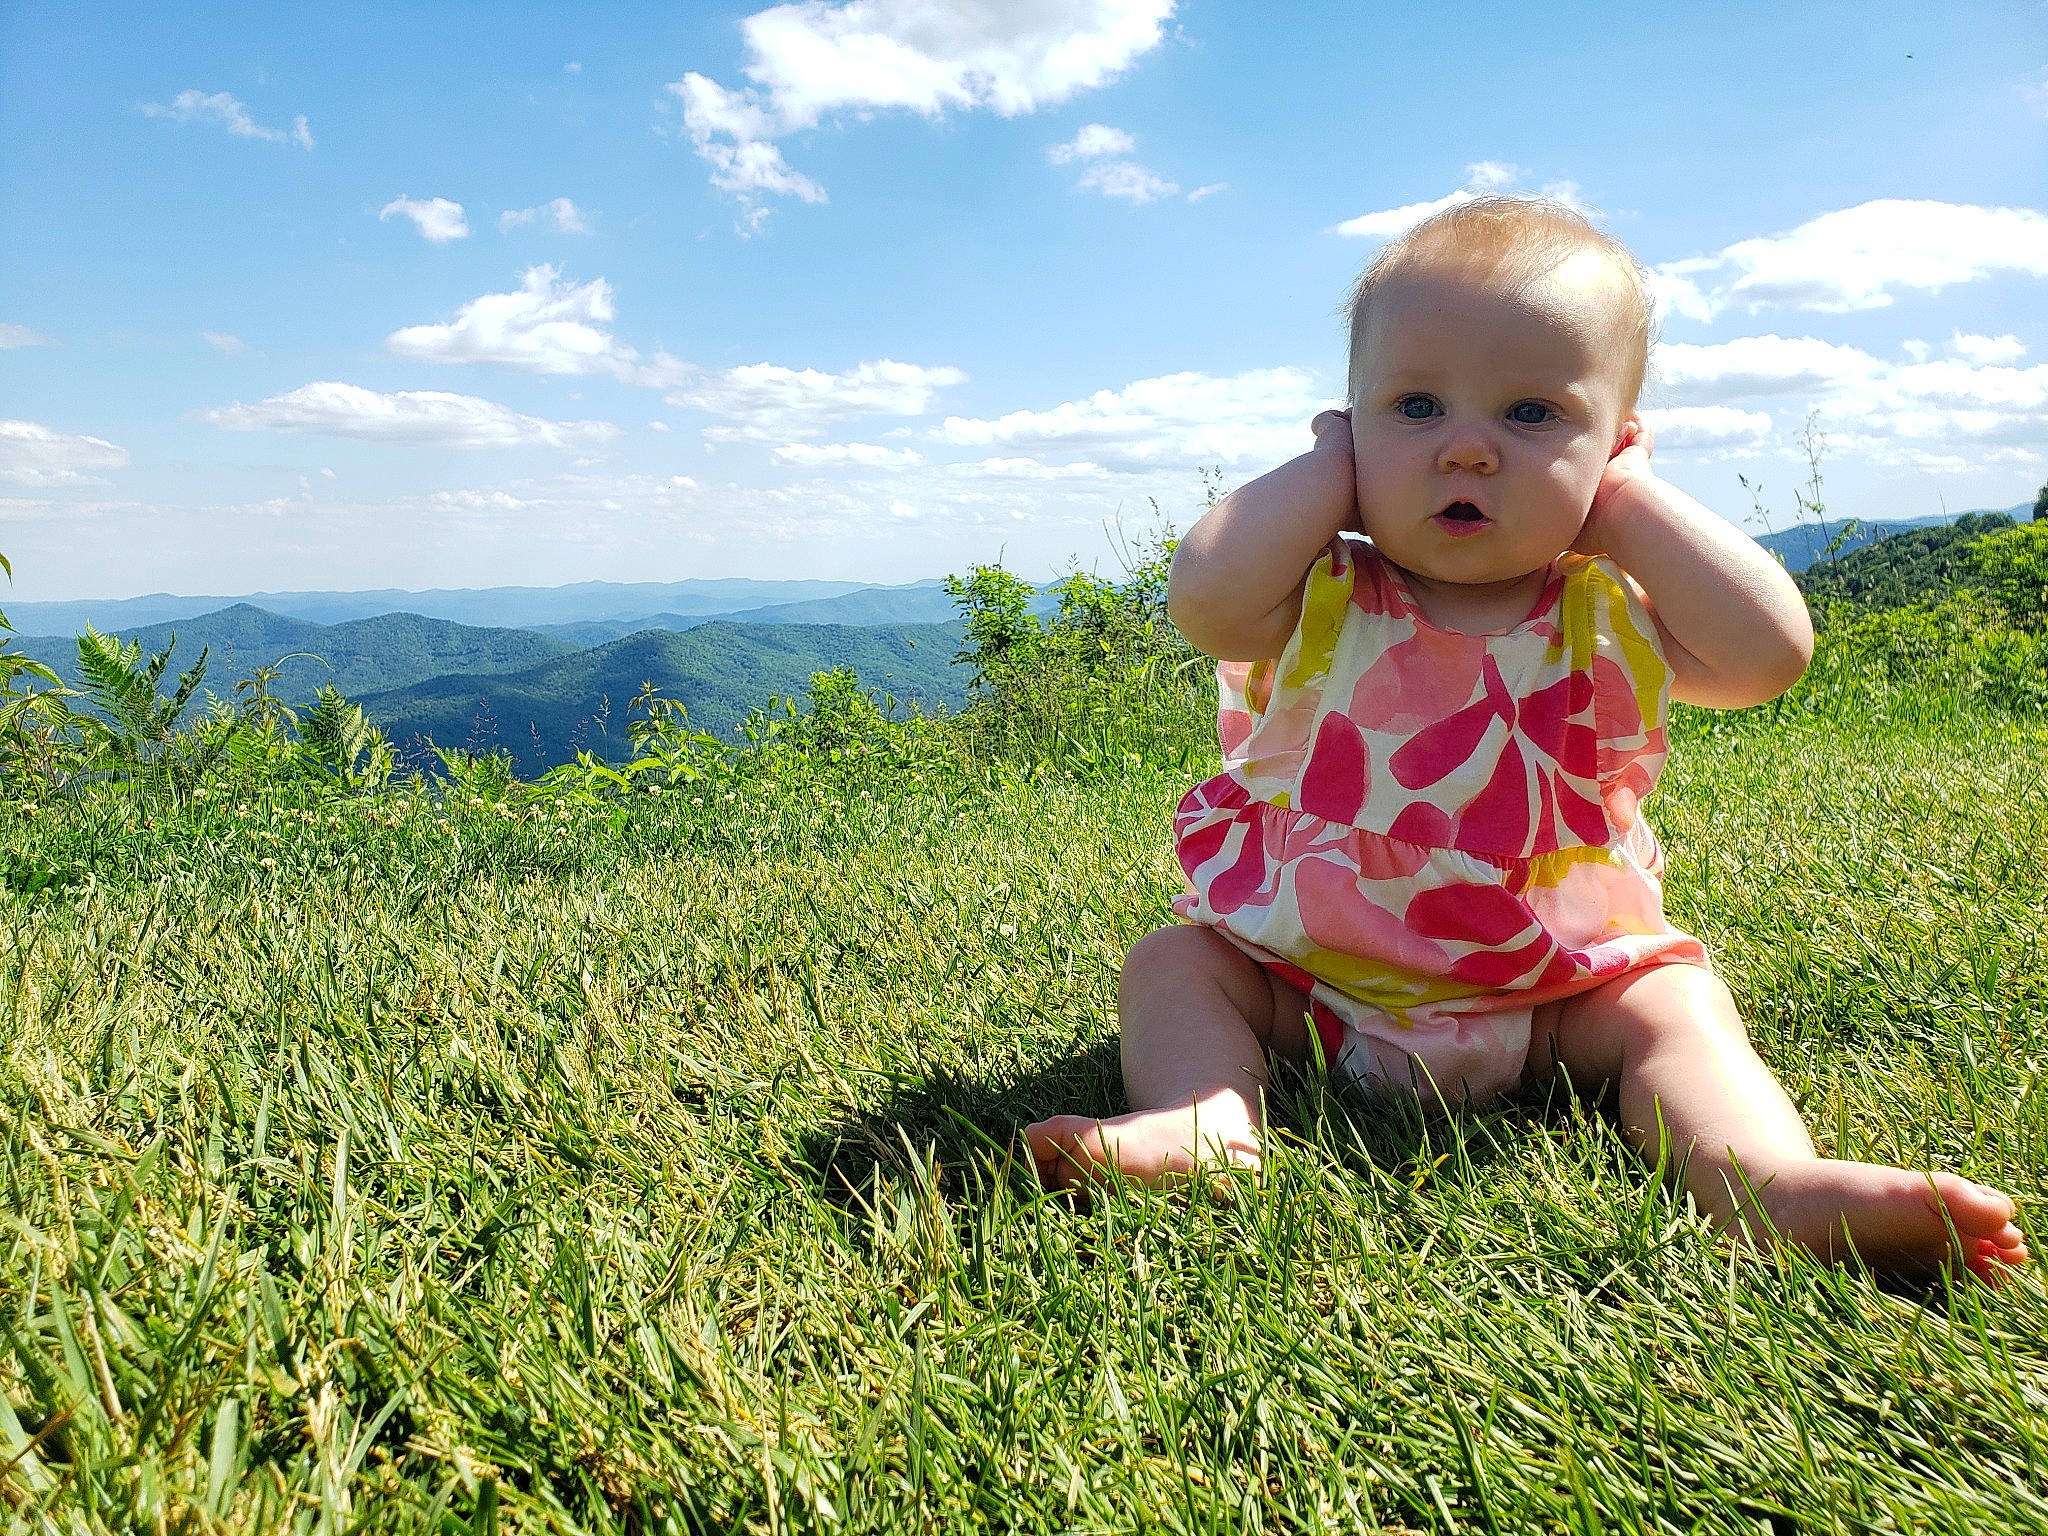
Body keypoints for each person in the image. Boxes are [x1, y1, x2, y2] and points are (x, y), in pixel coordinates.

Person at [1023, 196, 2028, 1282]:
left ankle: (1762, 1185)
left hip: (1551, 994)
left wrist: (1627, 507)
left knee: (1672, 1006)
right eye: (1412, 406)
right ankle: (1204, 1121)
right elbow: (1204, 596)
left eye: (1533, 416)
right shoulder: (1318, 601)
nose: (1466, 450)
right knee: (1175, 963)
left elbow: (1767, 654)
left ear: (1615, 446)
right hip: (1305, 988)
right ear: (1349, 422)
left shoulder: (1607, 615)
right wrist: (1326, 467)